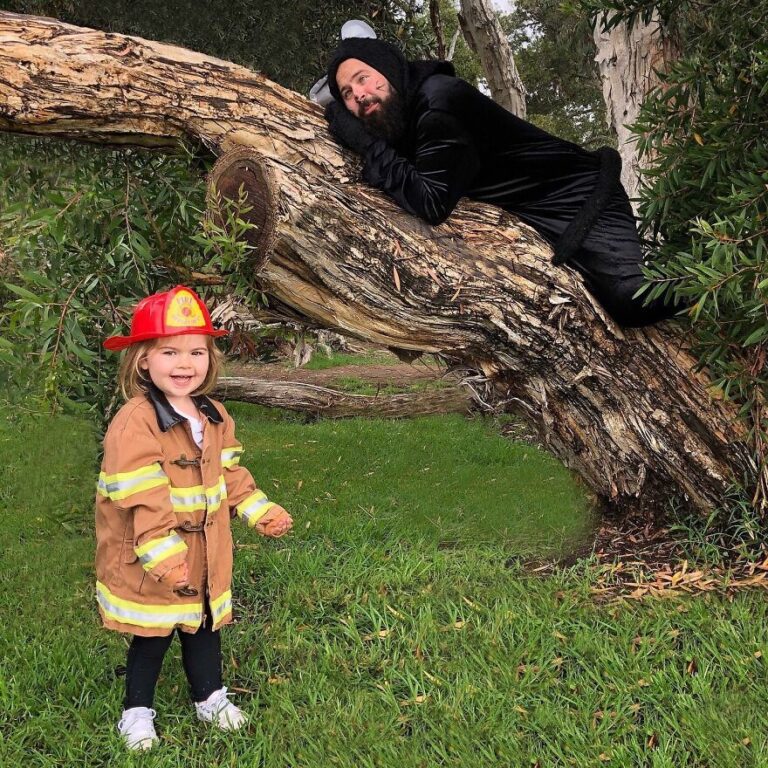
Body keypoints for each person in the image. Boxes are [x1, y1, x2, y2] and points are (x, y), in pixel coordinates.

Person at [323, 37, 680, 327]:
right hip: (537, 212)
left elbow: (431, 204)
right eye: (347, 96)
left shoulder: (438, 105)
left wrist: (365, 143)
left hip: (582, 197)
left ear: (387, 68)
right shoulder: (402, 113)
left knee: (630, 301)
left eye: (363, 78)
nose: (360, 95)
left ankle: (725, 274)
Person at [96, 285, 293, 750]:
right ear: (143, 360)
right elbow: (140, 494)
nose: (184, 364)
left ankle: (210, 697)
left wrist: (257, 509)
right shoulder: (135, 422)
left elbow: (228, 473)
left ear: (210, 358)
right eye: (169, 351)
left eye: (196, 352)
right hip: (154, 556)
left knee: (205, 627)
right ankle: (137, 711)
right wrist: (163, 552)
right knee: (154, 634)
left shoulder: (215, 415)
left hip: (205, 554)